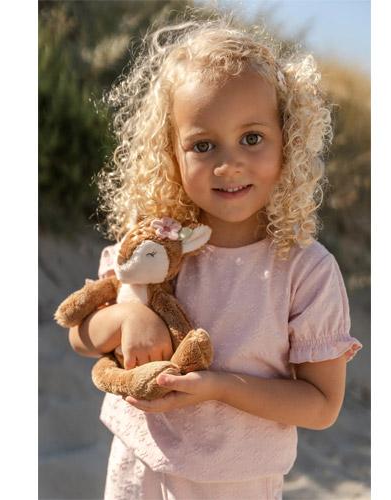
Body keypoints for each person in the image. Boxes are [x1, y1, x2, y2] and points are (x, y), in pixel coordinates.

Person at [68, 16, 362, 500]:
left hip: (236, 484)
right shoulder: (155, 247)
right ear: (172, 153)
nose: (229, 164)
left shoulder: (305, 270)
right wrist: (128, 315)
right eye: (203, 145)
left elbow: (322, 404)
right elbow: (81, 337)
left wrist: (218, 387)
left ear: (287, 139)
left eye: (252, 138)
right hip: (136, 469)